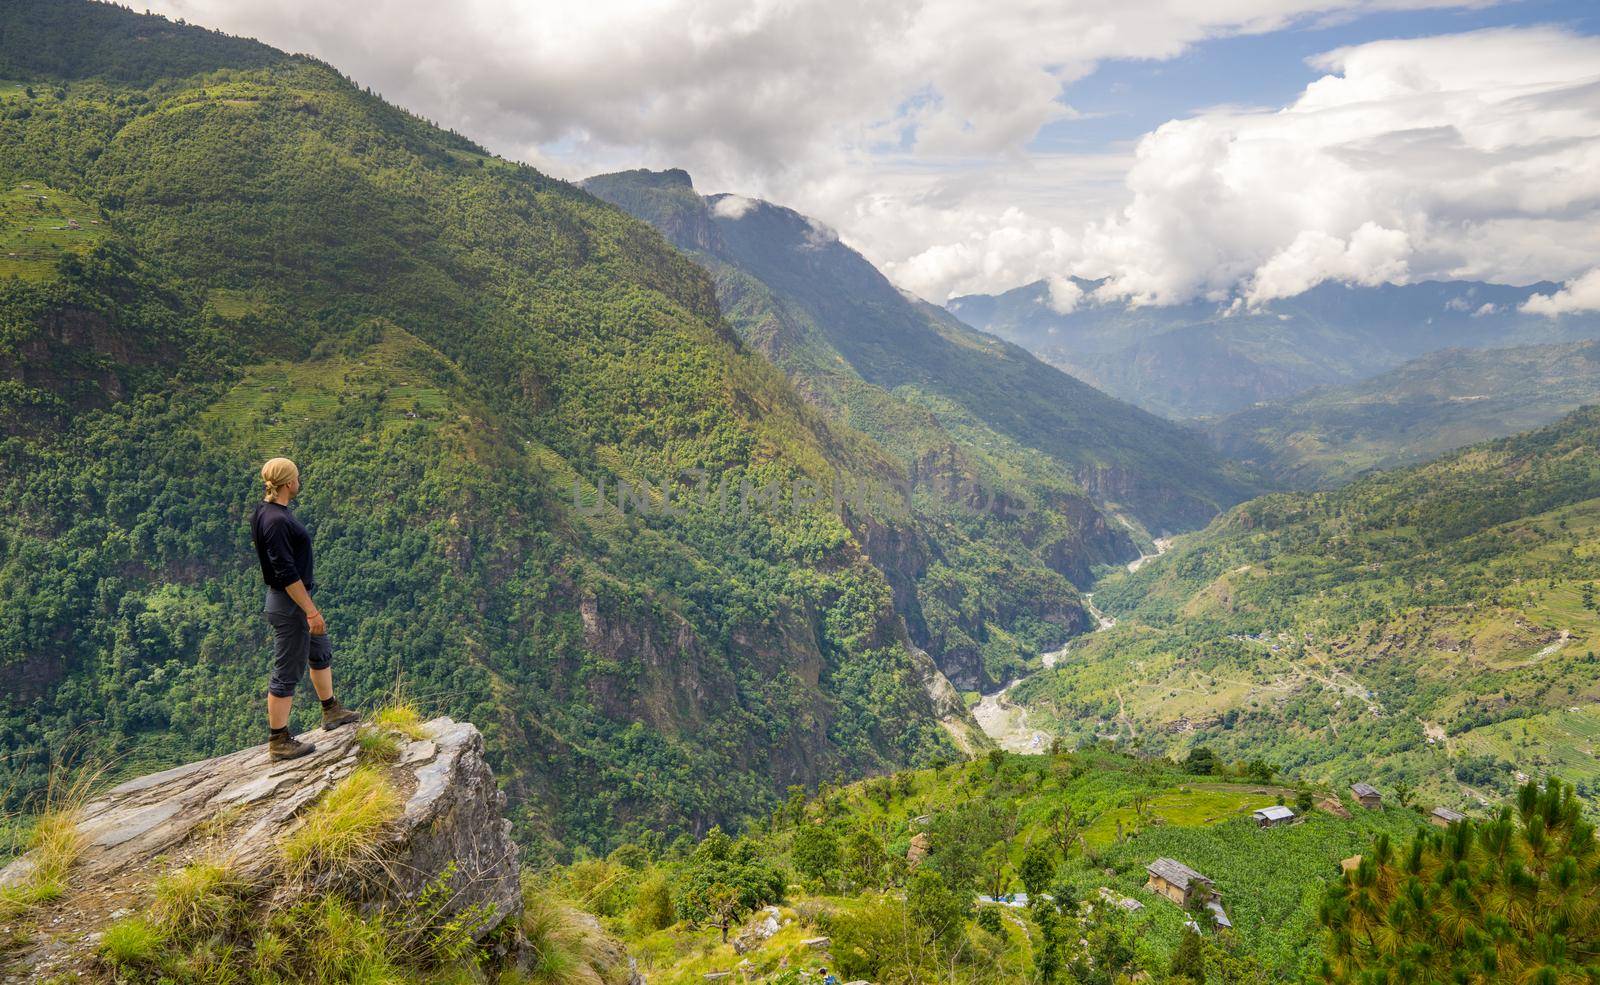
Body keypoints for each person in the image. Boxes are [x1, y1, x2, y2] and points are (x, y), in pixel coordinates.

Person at [251, 457, 358, 760]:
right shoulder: (276, 521)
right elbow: (286, 573)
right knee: (288, 669)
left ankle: (331, 710)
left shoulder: (267, 512)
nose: (300, 481)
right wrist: (310, 611)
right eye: (297, 477)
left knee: (319, 650)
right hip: (290, 604)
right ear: (288, 483)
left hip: (292, 600)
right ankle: (279, 740)